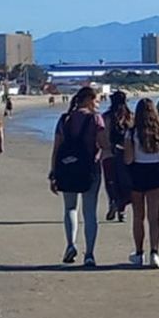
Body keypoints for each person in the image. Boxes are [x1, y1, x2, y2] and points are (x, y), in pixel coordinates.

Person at [49, 87, 106, 266]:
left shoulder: (65, 119)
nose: (98, 103)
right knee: (90, 212)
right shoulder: (95, 118)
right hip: (90, 168)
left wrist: (53, 172)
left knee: (70, 208)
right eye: (97, 100)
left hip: (67, 167)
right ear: (89, 99)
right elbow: (104, 143)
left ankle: (71, 244)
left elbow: (57, 148)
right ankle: (89, 254)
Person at [126, 98, 159, 268]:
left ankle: (139, 253)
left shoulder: (132, 133)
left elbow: (128, 159)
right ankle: (154, 252)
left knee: (138, 216)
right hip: (155, 172)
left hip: (137, 172)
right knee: (154, 217)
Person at [101, 89, 133, 222]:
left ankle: (112, 203)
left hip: (108, 155)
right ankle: (122, 211)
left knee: (110, 183)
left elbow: (103, 137)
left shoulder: (106, 117)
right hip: (126, 155)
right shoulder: (130, 116)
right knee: (125, 183)